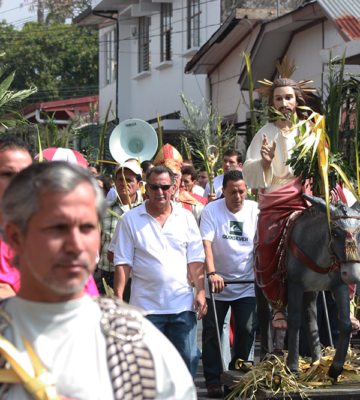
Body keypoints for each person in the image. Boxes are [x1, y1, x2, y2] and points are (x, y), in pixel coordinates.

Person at [0, 161, 196, 399]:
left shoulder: (135, 342)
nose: (75, 245)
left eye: (87, 227)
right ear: (15, 237)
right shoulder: (5, 335)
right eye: (57, 227)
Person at [113, 165, 207, 379]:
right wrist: (118, 299)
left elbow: (195, 259)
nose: (160, 192)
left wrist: (200, 292)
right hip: (145, 309)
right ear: (146, 188)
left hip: (182, 306)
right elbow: (123, 263)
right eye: (154, 187)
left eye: (164, 187)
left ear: (174, 187)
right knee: (147, 369)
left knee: (187, 362)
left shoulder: (186, 217)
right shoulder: (130, 219)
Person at [200, 170, 258, 398]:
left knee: (246, 330)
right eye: (232, 192)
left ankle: (237, 375)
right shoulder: (211, 210)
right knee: (213, 333)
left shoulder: (255, 210)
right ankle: (213, 379)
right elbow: (206, 244)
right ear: (222, 191)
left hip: (246, 282)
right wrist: (212, 273)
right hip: (217, 284)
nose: (238, 196)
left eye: (242, 191)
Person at [98, 161, 143, 295]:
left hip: (138, 278)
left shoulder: (146, 209)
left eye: (129, 180)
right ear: (115, 183)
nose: (124, 183)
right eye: (120, 179)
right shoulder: (103, 208)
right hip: (109, 275)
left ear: (139, 184)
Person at [153, 144, 207, 225]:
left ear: (180, 177)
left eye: (174, 175)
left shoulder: (196, 204)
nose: (170, 180)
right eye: (166, 175)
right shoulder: (149, 203)